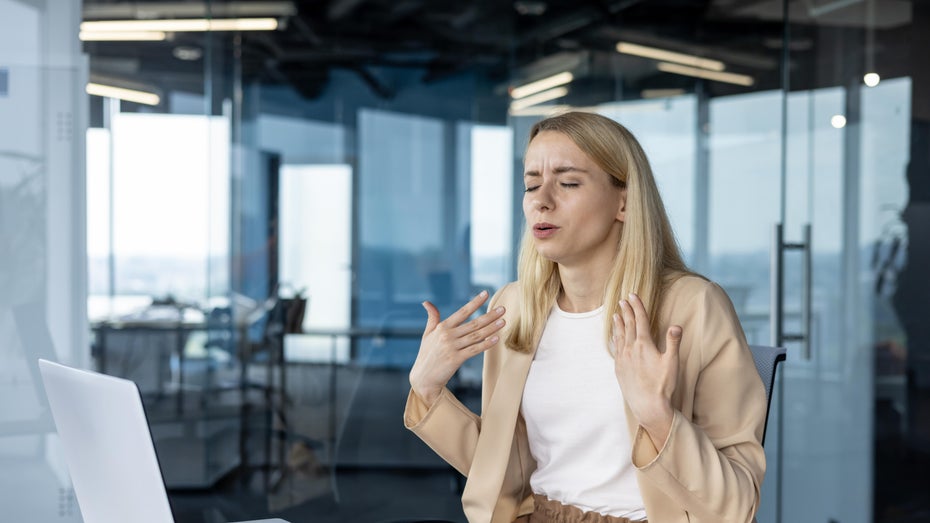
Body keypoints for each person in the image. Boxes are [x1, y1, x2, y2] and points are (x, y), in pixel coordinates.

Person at [404, 111, 766, 523]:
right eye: (531, 184)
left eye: (569, 182)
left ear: (624, 202)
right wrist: (427, 389)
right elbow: (505, 472)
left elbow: (737, 507)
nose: (542, 199)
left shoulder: (693, 307)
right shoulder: (517, 306)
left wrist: (659, 418)